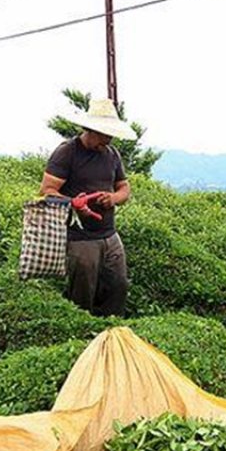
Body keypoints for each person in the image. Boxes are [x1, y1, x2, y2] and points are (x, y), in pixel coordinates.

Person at [39, 98, 135, 317]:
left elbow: (124, 188)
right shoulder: (68, 152)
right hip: (80, 238)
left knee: (117, 286)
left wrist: (113, 198)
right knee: (82, 293)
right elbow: (46, 191)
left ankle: (109, 332)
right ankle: (81, 336)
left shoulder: (112, 155)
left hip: (109, 235)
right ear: (91, 129)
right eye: (105, 135)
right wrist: (73, 203)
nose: (109, 140)